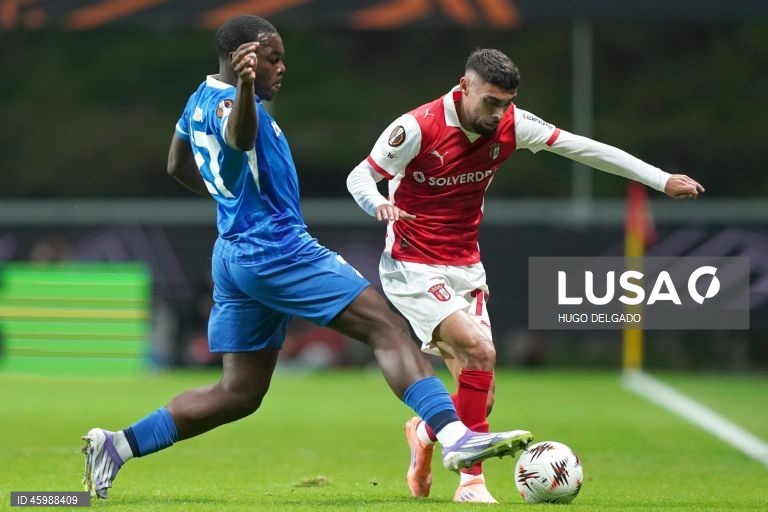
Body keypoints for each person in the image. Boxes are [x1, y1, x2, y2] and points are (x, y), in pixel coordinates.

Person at [81, 18, 534, 500]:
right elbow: (238, 138)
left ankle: (118, 446)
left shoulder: (198, 99)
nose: (282, 68)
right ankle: (455, 436)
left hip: (235, 251)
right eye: (273, 58)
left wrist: (229, 200)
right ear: (245, 59)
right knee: (385, 327)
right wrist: (248, 88)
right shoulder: (236, 103)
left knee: (240, 392)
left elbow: (177, 163)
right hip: (277, 248)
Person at [346, 48, 704, 503]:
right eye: (491, 102)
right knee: (479, 349)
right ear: (464, 87)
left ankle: (424, 431)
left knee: (484, 392)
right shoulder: (416, 127)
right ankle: (471, 484)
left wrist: (659, 179)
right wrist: (376, 202)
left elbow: (583, 147)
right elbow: (361, 175)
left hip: (465, 267)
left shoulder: (514, 123)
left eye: (507, 103)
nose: (499, 114)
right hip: (411, 263)